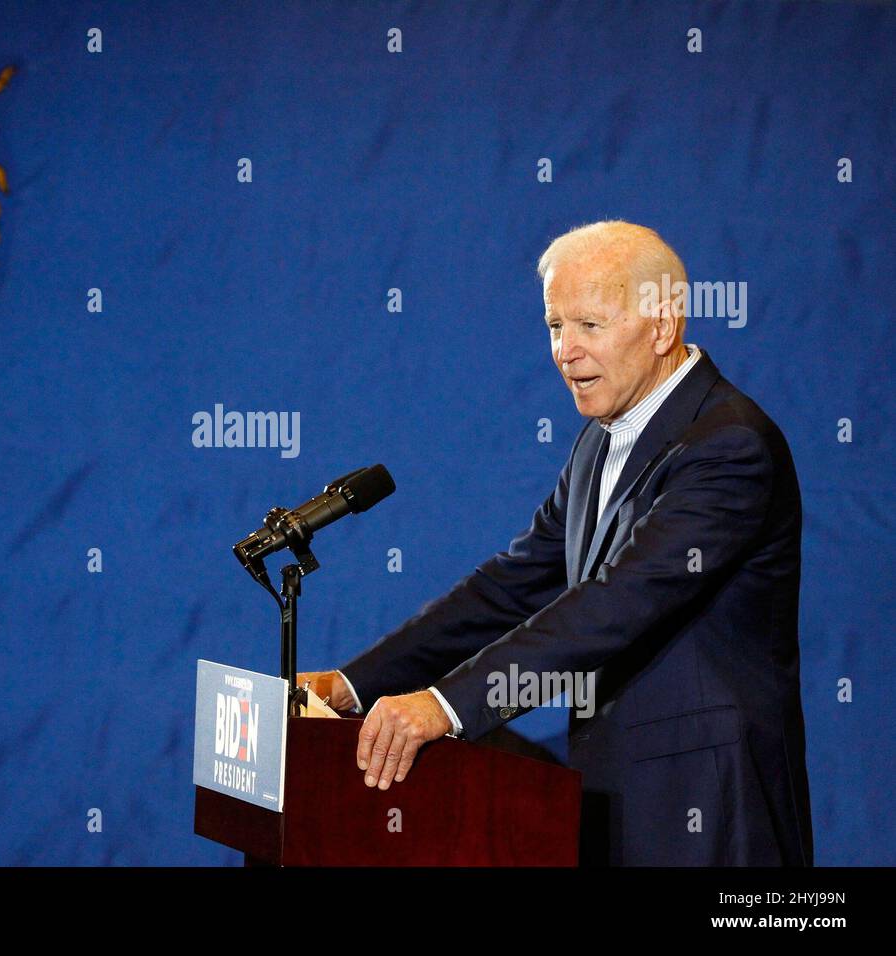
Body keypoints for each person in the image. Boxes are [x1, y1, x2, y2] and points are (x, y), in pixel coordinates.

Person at [300, 221, 813, 866]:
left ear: (661, 326)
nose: (565, 351)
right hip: (613, 792)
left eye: (589, 326)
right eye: (554, 326)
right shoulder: (601, 439)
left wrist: (445, 706)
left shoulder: (728, 447)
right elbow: (511, 585)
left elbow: (615, 605)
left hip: (709, 808)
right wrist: (355, 685)